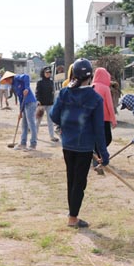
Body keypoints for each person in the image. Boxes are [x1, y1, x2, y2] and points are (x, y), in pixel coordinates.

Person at [50, 58, 109, 228]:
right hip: (84, 147)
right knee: (79, 182)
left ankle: (72, 214)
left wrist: (66, 122)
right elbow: (99, 130)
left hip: (67, 144)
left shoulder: (64, 93)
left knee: (71, 179)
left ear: (74, 74)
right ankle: (73, 218)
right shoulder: (95, 98)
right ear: (90, 77)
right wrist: (103, 155)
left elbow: (54, 116)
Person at [1, 71, 38, 151]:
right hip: (24, 104)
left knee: (31, 123)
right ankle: (23, 143)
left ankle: (33, 144)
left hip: (30, 102)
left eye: (7, 80)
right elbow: (20, 98)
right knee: (24, 124)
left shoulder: (17, 77)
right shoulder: (13, 86)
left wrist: (26, 88)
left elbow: (26, 76)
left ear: (10, 78)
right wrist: (20, 111)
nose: (7, 82)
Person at [91, 67, 117, 148]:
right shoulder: (105, 88)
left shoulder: (91, 87)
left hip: (93, 118)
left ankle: (96, 152)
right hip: (104, 118)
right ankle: (100, 153)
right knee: (107, 138)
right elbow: (110, 105)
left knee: (95, 137)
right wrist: (113, 120)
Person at [35, 66, 59, 142]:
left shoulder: (51, 81)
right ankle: (34, 135)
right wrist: (38, 101)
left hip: (50, 103)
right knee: (38, 120)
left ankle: (52, 136)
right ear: (43, 73)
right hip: (41, 104)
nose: (48, 74)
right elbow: (37, 92)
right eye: (46, 72)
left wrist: (54, 101)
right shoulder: (40, 82)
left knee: (50, 120)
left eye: (49, 72)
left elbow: (53, 92)